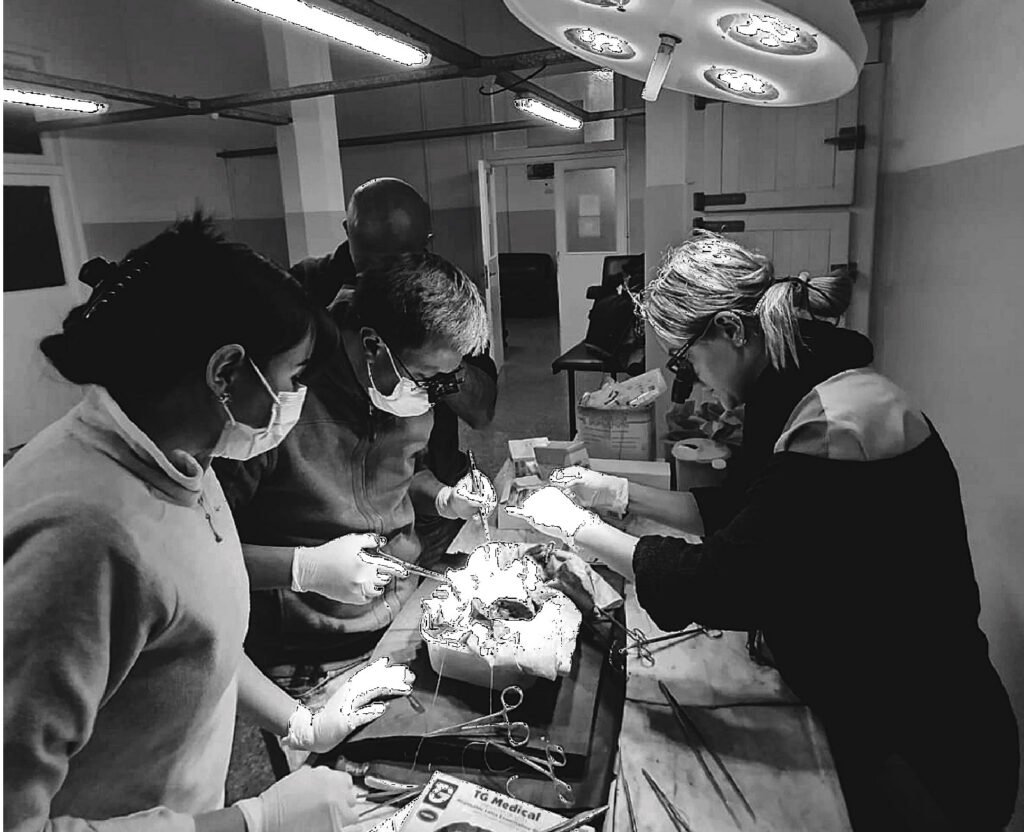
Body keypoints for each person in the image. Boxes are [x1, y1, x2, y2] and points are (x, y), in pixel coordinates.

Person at [507, 232, 1019, 831]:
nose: (692, 382)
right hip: (878, 708)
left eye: (686, 361)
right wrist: (616, 492)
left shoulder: (838, 429)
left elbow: (724, 579)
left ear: (730, 329)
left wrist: (577, 526)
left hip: (924, 754)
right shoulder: (817, 390)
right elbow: (746, 509)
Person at [4, 215, 415, 832]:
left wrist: (298, 721)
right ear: (226, 373)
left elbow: (194, 642)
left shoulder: (184, 459)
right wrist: (253, 822)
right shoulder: (80, 535)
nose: (298, 398)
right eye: (294, 378)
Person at [214, 251, 494, 691]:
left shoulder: (405, 393)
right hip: (308, 654)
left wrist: (444, 497)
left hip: (401, 614)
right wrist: (304, 568)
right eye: (425, 376)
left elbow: (404, 475)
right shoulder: (278, 404)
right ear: (373, 346)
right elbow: (205, 552)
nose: (431, 393)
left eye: (443, 379)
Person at [291, 177, 498, 560]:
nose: (385, 278)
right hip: (328, 529)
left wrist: (444, 498)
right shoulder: (305, 293)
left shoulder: (441, 302)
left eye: (429, 377)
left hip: (416, 503)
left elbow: (476, 415)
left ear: (426, 243)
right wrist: (301, 567)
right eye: (370, 259)